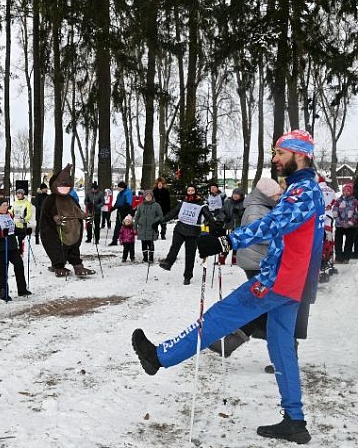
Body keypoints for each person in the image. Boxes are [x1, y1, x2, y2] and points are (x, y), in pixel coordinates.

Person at [132, 129, 323, 445]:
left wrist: (226, 240)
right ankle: (295, 420)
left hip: (278, 279)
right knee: (280, 345)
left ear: (299, 155)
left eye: (280, 153)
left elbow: (276, 223)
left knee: (220, 317)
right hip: (290, 280)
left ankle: (159, 357)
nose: (275, 160)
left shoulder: (304, 191)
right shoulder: (303, 189)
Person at [208, 179, 283, 362]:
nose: (278, 197)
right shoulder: (256, 210)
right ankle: (282, 352)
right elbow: (259, 234)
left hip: (261, 262)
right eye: (276, 194)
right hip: (257, 263)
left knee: (262, 307)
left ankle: (232, 342)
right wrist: (284, 233)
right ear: (266, 195)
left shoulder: (263, 207)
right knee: (262, 307)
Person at [39, 164, 94, 277]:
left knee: (74, 249)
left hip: (73, 230)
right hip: (58, 231)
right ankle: (58, 266)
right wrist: (55, 218)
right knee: (59, 250)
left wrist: (84, 216)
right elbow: (47, 213)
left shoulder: (71, 199)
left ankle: (77, 266)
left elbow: (76, 210)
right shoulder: (50, 199)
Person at [158, 184, 214, 285]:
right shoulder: (183, 202)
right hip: (180, 228)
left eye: (192, 190)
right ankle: (168, 263)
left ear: (195, 191)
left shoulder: (201, 204)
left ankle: (187, 276)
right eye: (189, 190)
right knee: (174, 247)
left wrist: (214, 222)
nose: (191, 192)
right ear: (186, 192)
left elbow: (208, 215)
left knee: (190, 255)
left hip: (193, 232)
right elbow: (173, 213)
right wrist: (162, 220)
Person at [0, 197, 30, 300]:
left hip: (11, 246)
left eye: (7, 205)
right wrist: (1, 234)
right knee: (3, 271)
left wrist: (24, 231)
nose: (6, 207)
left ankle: (22, 289)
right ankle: (3, 293)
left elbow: (13, 229)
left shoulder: (8, 215)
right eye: (4, 205)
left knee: (19, 264)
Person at [133, 191, 163, 262]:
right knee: (143, 243)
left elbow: (160, 215)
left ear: (152, 197)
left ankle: (151, 257)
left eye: (150, 196)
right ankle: (145, 257)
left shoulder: (156, 205)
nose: (148, 197)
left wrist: (155, 221)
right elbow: (136, 217)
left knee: (150, 243)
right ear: (144, 197)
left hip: (151, 228)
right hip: (142, 228)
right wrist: (135, 227)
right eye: (147, 196)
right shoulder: (140, 206)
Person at [221, 187, 246, 264]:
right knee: (226, 241)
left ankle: (235, 258)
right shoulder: (228, 202)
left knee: (236, 242)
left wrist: (239, 213)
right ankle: (222, 258)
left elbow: (246, 215)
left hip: (239, 226)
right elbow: (222, 211)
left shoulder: (244, 203)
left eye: (237, 194)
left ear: (241, 195)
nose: (235, 196)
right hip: (229, 225)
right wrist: (224, 217)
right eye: (234, 194)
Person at [333, 182, 356, 263]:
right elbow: (335, 212)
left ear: (351, 192)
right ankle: (339, 258)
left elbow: (356, 213)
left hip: (350, 226)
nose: (346, 192)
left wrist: (350, 222)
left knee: (349, 243)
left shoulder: (354, 201)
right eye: (344, 190)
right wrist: (340, 222)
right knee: (338, 242)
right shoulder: (338, 201)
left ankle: (346, 257)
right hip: (340, 225)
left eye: (348, 191)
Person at [108, 181, 133, 246]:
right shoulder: (120, 193)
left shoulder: (128, 192)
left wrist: (122, 207)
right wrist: (113, 208)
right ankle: (114, 240)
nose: (118, 189)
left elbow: (129, 203)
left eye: (119, 187)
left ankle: (126, 239)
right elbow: (117, 202)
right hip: (120, 211)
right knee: (117, 226)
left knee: (126, 226)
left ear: (122, 187)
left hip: (126, 211)